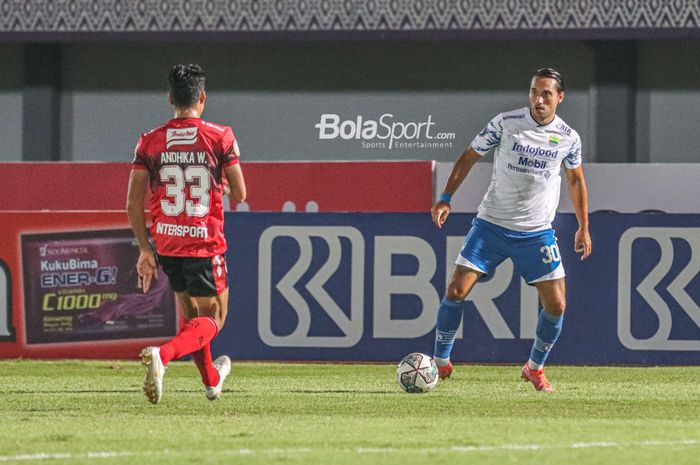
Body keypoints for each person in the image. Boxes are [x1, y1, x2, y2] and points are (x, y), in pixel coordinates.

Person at [431, 68, 591, 391]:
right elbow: (469, 155)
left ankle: (534, 368)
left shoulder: (568, 138)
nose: (538, 99)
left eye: (546, 94)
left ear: (560, 97)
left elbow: (575, 179)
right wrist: (446, 197)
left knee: (557, 304)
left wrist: (583, 226)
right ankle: (440, 362)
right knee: (455, 290)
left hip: (536, 232)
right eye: (534, 92)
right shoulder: (506, 123)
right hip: (491, 224)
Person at [126, 64, 247, 404]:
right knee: (213, 319)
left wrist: (145, 250)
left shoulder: (149, 141)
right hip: (203, 242)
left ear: (170, 99)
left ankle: (211, 380)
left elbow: (133, 204)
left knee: (194, 318)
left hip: (166, 242)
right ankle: (162, 357)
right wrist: (220, 185)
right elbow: (240, 194)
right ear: (202, 98)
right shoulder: (220, 136)